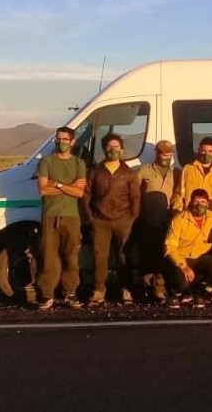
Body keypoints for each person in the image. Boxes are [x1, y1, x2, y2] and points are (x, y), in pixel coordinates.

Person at [82, 133, 140, 305]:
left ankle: (126, 289)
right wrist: (90, 218)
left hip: (123, 220)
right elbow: (86, 196)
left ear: (121, 149)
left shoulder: (128, 173)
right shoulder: (95, 171)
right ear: (104, 149)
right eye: (109, 146)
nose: (113, 150)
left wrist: (132, 218)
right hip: (100, 221)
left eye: (116, 147)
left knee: (123, 256)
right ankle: (99, 289)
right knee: (100, 257)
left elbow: (135, 197)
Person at [35, 126, 87, 311]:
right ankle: (46, 295)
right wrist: (67, 186)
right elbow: (42, 189)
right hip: (50, 215)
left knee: (71, 257)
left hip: (72, 217)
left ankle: (70, 293)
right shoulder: (46, 162)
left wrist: (55, 184)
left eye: (65, 139)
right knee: (48, 256)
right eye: (59, 139)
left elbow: (80, 192)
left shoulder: (78, 163)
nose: (61, 142)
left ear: (72, 142)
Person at [164, 189, 212, 308]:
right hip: (181, 258)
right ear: (190, 202)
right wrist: (183, 266)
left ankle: (202, 293)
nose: (199, 205)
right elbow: (169, 247)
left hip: (200, 258)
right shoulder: (179, 220)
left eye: (203, 202)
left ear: (207, 204)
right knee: (181, 282)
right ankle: (176, 293)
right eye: (196, 201)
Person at [135, 140, 179, 302]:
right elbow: (134, 192)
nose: (167, 157)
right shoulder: (144, 171)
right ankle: (146, 286)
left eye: (169, 154)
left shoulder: (177, 173)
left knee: (164, 254)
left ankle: (160, 287)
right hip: (149, 219)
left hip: (168, 219)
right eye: (163, 154)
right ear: (157, 153)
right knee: (148, 254)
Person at [172, 136, 212, 218]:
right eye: (203, 150)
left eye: (210, 151)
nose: (206, 154)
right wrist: (177, 212)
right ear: (198, 150)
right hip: (191, 216)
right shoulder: (187, 169)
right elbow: (179, 194)